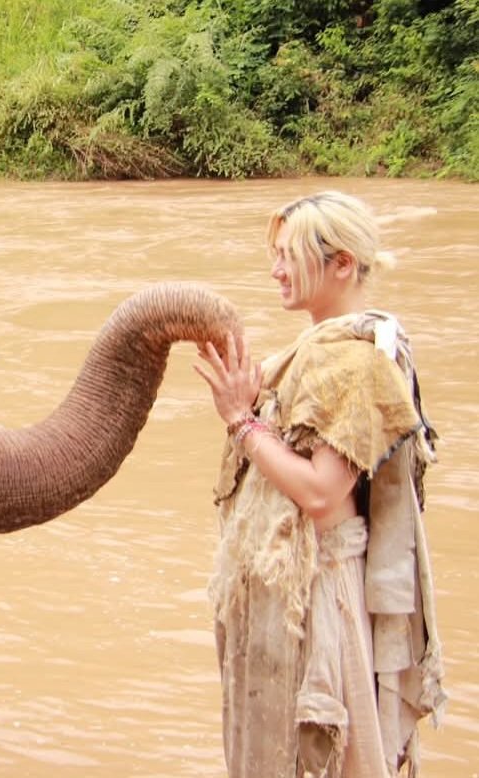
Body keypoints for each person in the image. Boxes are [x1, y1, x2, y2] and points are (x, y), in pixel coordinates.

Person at [193, 191, 446, 777]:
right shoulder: (310, 355)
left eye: (289, 255)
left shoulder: (357, 364)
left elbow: (320, 494)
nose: (275, 269)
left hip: (321, 597)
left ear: (342, 264)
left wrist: (241, 420)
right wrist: (254, 405)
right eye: (275, 254)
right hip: (289, 594)